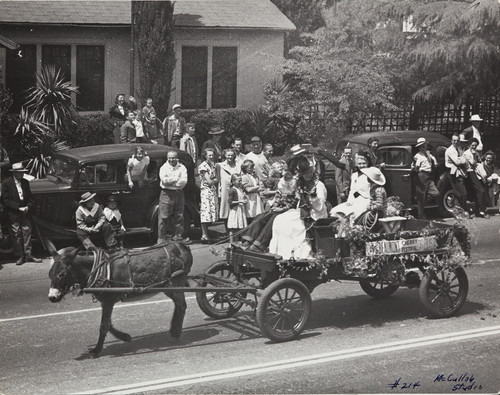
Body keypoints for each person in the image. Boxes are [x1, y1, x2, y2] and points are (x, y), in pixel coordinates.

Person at [269, 159, 328, 259]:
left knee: (291, 225)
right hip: (303, 211)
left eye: (310, 172)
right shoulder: (301, 183)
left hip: (315, 214)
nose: (308, 175)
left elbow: (320, 206)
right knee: (279, 219)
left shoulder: (318, 185)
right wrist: (286, 179)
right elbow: (285, 189)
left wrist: (313, 197)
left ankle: (294, 252)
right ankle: (280, 252)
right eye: (305, 173)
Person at [1, 163, 42, 265]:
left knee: (27, 232)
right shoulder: (6, 183)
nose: (22, 174)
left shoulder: (25, 182)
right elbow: (5, 201)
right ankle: (20, 256)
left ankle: (28, 255)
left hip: (25, 212)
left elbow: (30, 198)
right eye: (20, 173)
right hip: (13, 213)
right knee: (16, 234)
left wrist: (28, 206)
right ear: (14, 173)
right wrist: (18, 207)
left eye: (23, 172)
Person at [157, 151, 190, 243]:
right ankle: (161, 239)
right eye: (169, 158)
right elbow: (164, 181)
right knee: (164, 216)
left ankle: (177, 237)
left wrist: (172, 182)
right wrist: (176, 180)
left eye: (173, 158)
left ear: (177, 158)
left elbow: (183, 181)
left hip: (179, 193)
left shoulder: (182, 167)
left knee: (179, 216)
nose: (171, 160)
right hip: (166, 193)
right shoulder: (163, 168)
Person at [330, 153, 372, 221]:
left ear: (368, 163)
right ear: (356, 164)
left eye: (364, 163)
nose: (362, 166)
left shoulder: (371, 175)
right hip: (354, 201)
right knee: (336, 211)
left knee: (353, 214)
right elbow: (352, 190)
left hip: (366, 201)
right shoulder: (354, 175)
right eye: (360, 164)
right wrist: (349, 201)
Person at [412, 137, 439, 219]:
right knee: (421, 197)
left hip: (429, 175)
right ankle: (421, 216)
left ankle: (421, 200)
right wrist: (415, 169)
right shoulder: (418, 155)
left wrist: (435, 161)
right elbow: (414, 166)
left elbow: (432, 158)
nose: (422, 148)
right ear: (419, 148)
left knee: (435, 193)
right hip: (422, 175)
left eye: (424, 146)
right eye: (420, 147)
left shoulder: (428, 153)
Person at [463, 138, 489, 218]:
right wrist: (474, 155)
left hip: (475, 172)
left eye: (475, 145)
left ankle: (477, 210)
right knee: (480, 190)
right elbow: (473, 163)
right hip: (470, 173)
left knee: (477, 191)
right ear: (469, 145)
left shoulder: (475, 152)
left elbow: (479, 161)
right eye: (472, 145)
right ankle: (482, 210)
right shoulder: (466, 153)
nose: (474, 147)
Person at [198, 148, 219, 242]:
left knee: (210, 212)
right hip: (206, 190)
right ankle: (204, 235)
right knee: (206, 212)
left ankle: (206, 234)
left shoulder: (212, 165)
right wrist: (215, 180)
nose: (211, 157)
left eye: (212, 155)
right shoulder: (203, 166)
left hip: (212, 190)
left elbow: (216, 179)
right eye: (209, 155)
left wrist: (214, 180)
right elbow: (210, 181)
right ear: (205, 156)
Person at [217, 148, 241, 227]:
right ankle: (228, 232)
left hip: (236, 190)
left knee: (236, 210)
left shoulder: (238, 165)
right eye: (228, 155)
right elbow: (218, 179)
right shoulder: (220, 165)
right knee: (226, 210)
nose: (230, 157)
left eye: (231, 155)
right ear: (225, 155)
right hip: (225, 190)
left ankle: (237, 230)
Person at [445, 133, 469, 210]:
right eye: (454, 140)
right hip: (453, 172)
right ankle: (461, 210)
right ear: (451, 141)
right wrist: (464, 160)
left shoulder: (458, 149)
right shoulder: (450, 150)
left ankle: (462, 209)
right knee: (461, 193)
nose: (456, 142)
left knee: (463, 193)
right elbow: (457, 162)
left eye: (457, 140)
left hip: (459, 172)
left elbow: (463, 158)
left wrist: (462, 159)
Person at [226, 174, 248, 242]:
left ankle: (238, 243)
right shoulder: (232, 190)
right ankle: (231, 243)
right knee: (233, 228)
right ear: (233, 181)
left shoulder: (240, 189)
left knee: (240, 227)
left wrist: (244, 199)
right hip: (235, 211)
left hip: (240, 210)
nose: (240, 182)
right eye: (239, 181)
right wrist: (239, 201)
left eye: (241, 181)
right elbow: (230, 202)